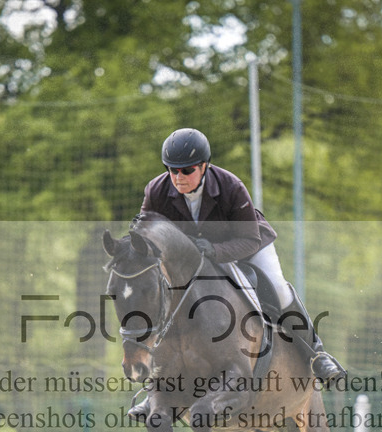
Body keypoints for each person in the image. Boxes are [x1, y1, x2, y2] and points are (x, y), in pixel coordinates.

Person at [139, 127, 346, 381]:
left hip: (246, 245)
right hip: (197, 257)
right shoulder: (156, 190)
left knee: (278, 290)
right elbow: (144, 231)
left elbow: (250, 240)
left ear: (204, 167)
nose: (178, 177)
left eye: (187, 170)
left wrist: (214, 251)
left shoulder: (231, 187)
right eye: (172, 170)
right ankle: (157, 384)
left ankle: (317, 355)